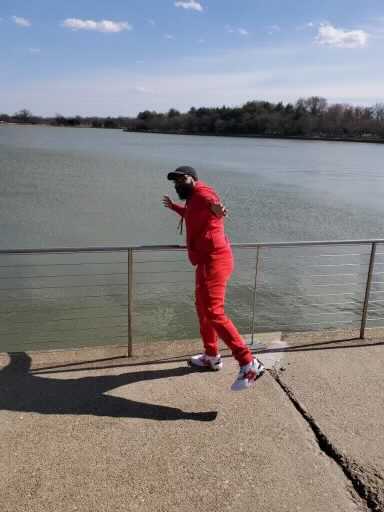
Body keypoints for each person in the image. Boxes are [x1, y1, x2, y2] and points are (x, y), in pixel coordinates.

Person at [163, 166, 265, 391]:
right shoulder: (192, 199)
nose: (179, 184)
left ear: (194, 179)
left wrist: (219, 211)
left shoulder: (203, 193)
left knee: (214, 311)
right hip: (205, 259)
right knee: (202, 308)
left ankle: (249, 363)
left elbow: (215, 207)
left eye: (182, 179)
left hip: (215, 258)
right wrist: (174, 208)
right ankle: (211, 356)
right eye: (176, 181)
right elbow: (193, 214)